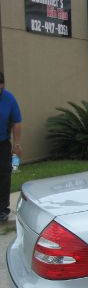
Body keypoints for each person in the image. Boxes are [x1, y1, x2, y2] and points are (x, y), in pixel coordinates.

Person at [0, 71, 22, 223]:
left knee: (4, 175)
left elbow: (17, 121)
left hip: (2, 143)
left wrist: (17, 144)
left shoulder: (9, 98)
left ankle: (2, 209)